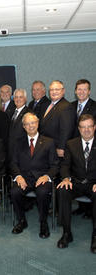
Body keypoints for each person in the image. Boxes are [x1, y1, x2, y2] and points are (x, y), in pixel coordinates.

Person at [10, 113, 59, 238]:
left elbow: (55, 165)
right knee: (15, 192)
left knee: (42, 193)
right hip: (24, 178)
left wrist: (47, 176)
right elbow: (13, 163)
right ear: (24, 126)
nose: (30, 126)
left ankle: (43, 223)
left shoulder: (49, 142)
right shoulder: (18, 142)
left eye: (33, 123)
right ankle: (21, 220)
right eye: (27, 124)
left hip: (41, 178)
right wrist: (18, 176)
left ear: (37, 123)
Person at [57, 114, 96, 253]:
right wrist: (66, 178)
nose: (86, 130)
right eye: (83, 127)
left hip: (94, 184)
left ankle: (95, 235)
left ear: (94, 127)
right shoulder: (71, 144)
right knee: (62, 190)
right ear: (79, 129)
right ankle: (67, 233)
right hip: (77, 182)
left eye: (89, 127)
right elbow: (65, 165)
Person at [71, 79, 96, 217]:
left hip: (90, 145)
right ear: (75, 91)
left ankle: (90, 210)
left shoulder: (95, 106)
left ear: (89, 91)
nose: (81, 92)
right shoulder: (71, 105)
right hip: (74, 146)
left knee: (89, 174)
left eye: (84, 89)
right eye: (79, 89)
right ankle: (82, 208)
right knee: (78, 173)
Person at [39, 80, 75, 158]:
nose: (54, 92)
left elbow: (66, 129)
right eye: (52, 90)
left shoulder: (66, 106)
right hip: (47, 147)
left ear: (63, 91)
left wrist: (62, 147)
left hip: (57, 149)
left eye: (57, 89)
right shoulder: (49, 105)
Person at [8, 89, 30, 158]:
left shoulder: (29, 113)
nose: (18, 99)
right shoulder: (11, 112)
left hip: (22, 151)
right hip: (10, 150)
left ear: (25, 99)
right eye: (16, 97)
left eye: (21, 97)